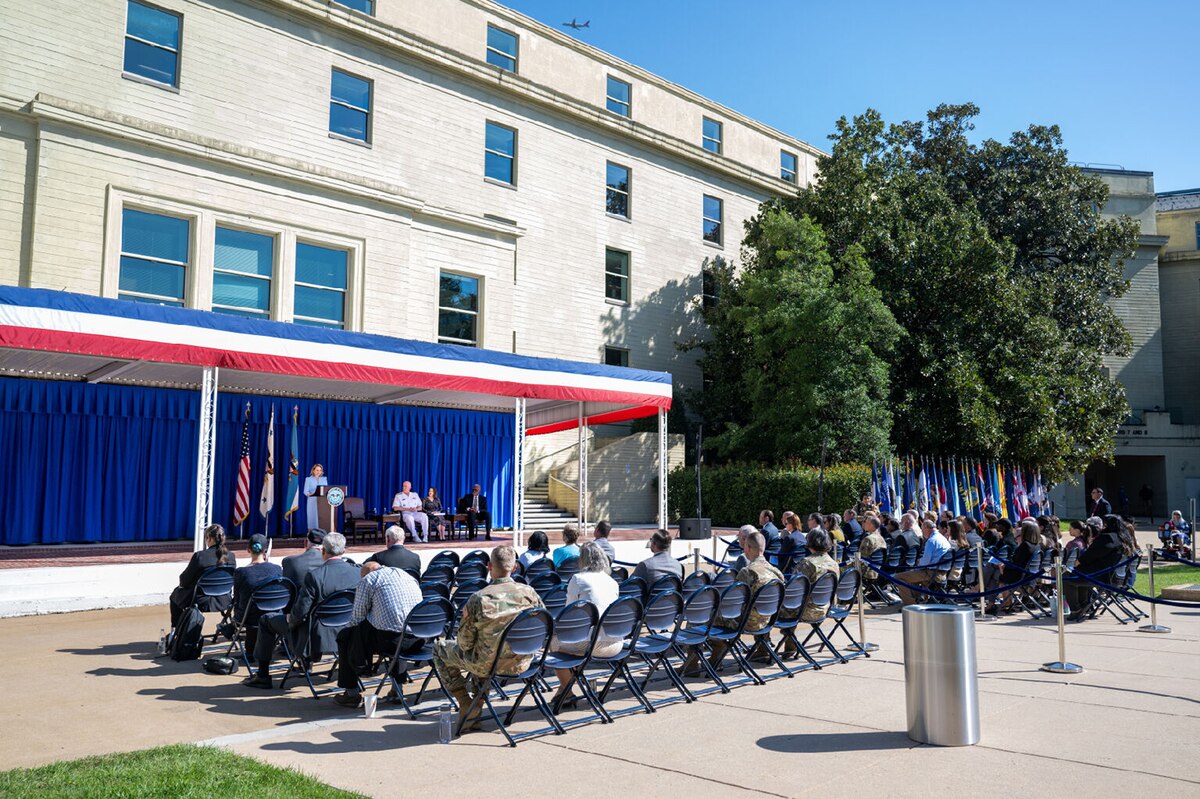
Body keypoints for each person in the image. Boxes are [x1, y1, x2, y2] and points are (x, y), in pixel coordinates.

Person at [432, 546, 543, 730]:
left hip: (487, 664)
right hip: (521, 661)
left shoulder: (479, 599)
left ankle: (466, 702)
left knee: (439, 649)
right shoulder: (530, 593)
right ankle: (477, 704)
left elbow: (464, 643)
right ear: (514, 567)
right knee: (484, 648)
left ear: (489, 566)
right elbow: (542, 623)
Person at [243, 532, 359, 689]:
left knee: (266, 620)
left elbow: (299, 614)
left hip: (314, 634)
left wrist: (290, 619)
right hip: (347, 630)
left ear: (323, 551)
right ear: (344, 552)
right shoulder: (356, 573)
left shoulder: (315, 576)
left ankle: (263, 675)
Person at [333, 561, 425, 708]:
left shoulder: (369, 580)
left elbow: (357, 617)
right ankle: (397, 689)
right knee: (399, 631)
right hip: (419, 639)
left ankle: (351, 693)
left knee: (346, 636)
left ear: (365, 574)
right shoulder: (405, 574)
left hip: (393, 640)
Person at [548, 542, 621, 708]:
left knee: (554, 641)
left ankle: (566, 689)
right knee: (574, 640)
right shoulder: (612, 582)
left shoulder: (578, 579)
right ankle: (564, 691)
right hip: (616, 643)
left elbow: (568, 615)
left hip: (592, 645)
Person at [168, 523, 236, 629]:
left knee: (174, 596)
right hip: (224, 600)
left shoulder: (200, 556)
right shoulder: (231, 557)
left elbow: (184, 580)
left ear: (208, 538)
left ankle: (177, 631)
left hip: (201, 600)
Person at [1063, 515, 1126, 621]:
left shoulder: (1107, 538)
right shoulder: (1120, 538)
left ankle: (1076, 609)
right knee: (1077, 577)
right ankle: (1084, 606)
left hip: (1100, 576)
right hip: (1110, 575)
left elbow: (1091, 554)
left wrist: (1078, 562)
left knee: (1066, 578)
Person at [893, 518, 952, 606]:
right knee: (912, 577)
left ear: (927, 528)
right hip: (942, 572)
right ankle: (917, 599)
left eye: (922, 529)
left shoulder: (931, 541)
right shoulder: (942, 539)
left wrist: (917, 565)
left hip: (932, 573)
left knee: (898, 577)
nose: (922, 532)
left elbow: (925, 563)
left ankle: (909, 604)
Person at [232, 534, 283, 634]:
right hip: (274, 614)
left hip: (248, 618)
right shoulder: (277, 569)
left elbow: (236, 599)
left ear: (248, 550)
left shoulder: (241, 572)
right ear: (265, 550)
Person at [795, 529, 840, 623]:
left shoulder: (807, 563)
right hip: (826, 608)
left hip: (805, 611)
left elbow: (794, 591)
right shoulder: (834, 564)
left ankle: (786, 636)